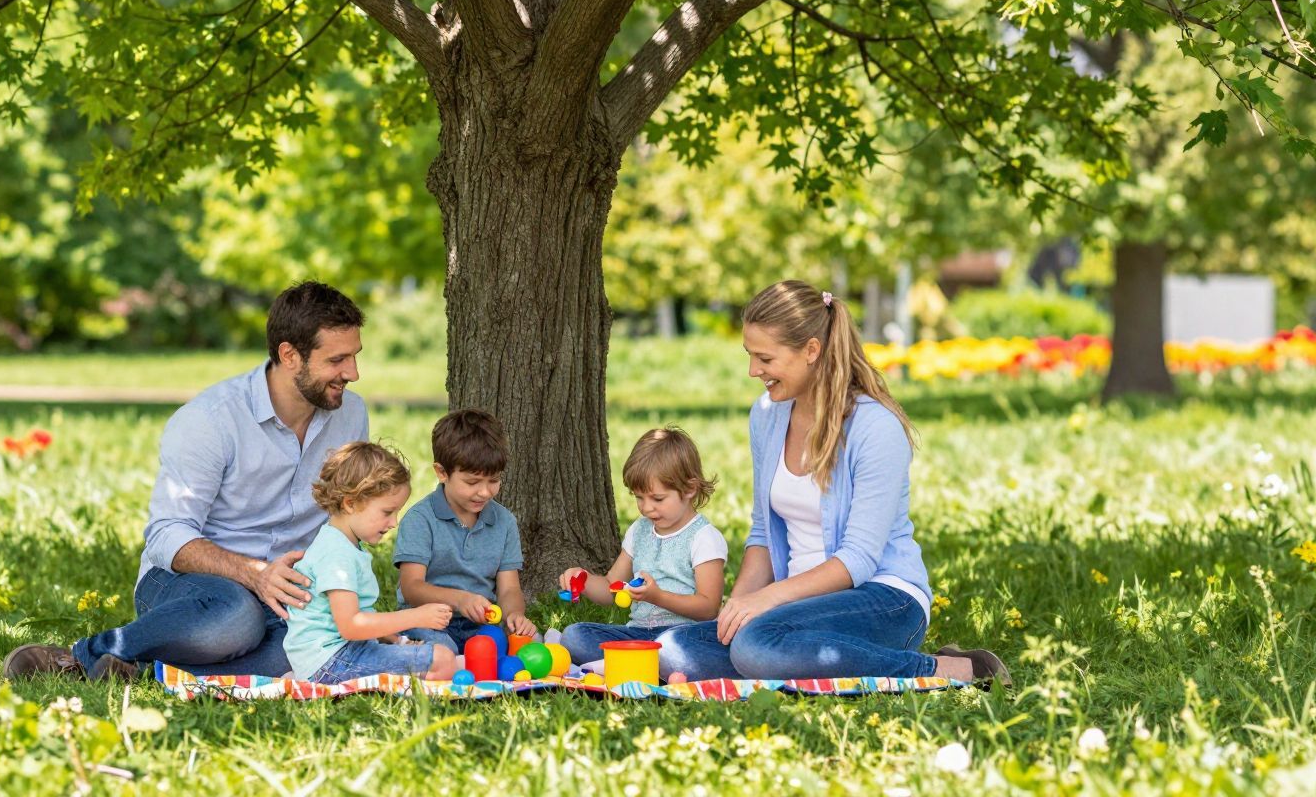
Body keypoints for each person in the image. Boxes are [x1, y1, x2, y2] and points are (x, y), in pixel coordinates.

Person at [2, 281, 368, 682]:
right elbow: (166, 536)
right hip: (195, 586)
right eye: (337, 360)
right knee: (237, 620)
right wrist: (254, 574)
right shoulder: (211, 420)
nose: (352, 373)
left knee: (309, 654)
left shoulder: (350, 415)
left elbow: (346, 515)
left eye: (354, 356)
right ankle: (83, 655)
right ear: (289, 355)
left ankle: (144, 671)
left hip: (290, 591)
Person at [651, 281, 1007, 685]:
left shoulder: (875, 428)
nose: (753, 371)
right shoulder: (767, 415)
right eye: (750, 356)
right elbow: (763, 534)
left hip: (883, 600)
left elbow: (857, 559)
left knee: (753, 647)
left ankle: (951, 668)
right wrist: (737, 608)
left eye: (765, 358)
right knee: (661, 651)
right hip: (793, 608)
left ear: (811, 350)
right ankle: (776, 655)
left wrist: (764, 601)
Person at [284, 442, 456, 683]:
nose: (394, 522)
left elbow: (360, 614)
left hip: (337, 655)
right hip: (331, 662)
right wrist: (417, 616)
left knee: (440, 652)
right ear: (350, 503)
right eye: (387, 512)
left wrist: (397, 640)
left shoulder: (345, 544)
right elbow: (351, 625)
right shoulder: (337, 553)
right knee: (443, 660)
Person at [557, 427, 727, 670]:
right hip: (637, 636)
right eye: (638, 497)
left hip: (684, 635)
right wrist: (582, 579)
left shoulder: (703, 537)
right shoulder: (639, 530)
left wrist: (657, 597)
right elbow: (610, 589)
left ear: (689, 489)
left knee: (672, 649)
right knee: (574, 636)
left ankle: (625, 665)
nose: (646, 508)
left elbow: (708, 607)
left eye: (657, 499)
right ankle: (640, 664)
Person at [392, 409, 534, 649]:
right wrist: (460, 600)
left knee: (499, 645)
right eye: (472, 482)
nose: (485, 492)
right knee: (443, 647)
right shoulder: (420, 519)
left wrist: (515, 616)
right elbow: (411, 588)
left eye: (494, 480)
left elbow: (509, 588)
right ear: (442, 472)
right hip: (426, 618)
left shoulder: (504, 521)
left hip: (477, 624)